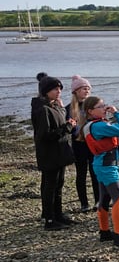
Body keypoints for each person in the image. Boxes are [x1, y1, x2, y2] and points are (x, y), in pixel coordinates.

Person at [80, 96, 119, 249]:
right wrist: (117, 113)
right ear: (90, 111)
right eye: (101, 106)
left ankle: (104, 232)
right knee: (118, 198)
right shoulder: (98, 126)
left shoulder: (90, 125)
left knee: (104, 198)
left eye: (105, 105)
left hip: (101, 164)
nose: (104, 108)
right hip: (107, 166)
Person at [31, 76, 76, 230]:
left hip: (59, 153)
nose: (59, 92)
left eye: (60, 89)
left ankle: (57, 214)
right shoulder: (43, 109)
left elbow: (58, 125)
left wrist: (66, 122)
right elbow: (45, 135)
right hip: (49, 154)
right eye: (55, 89)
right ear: (45, 91)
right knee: (50, 186)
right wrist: (67, 127)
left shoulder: (53, 106)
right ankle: (49, 219)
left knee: (58, 184)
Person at [66, 74, 99, 212]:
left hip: (92, 143)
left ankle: (98, 201)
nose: (86, 91)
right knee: (81, 174)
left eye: (88, 89)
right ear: (76, 91)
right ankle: (84, 203)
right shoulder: (69, 108)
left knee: (95, 172)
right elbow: (66, 128)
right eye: (83, 88)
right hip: (78, 144)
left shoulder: (92, 106)